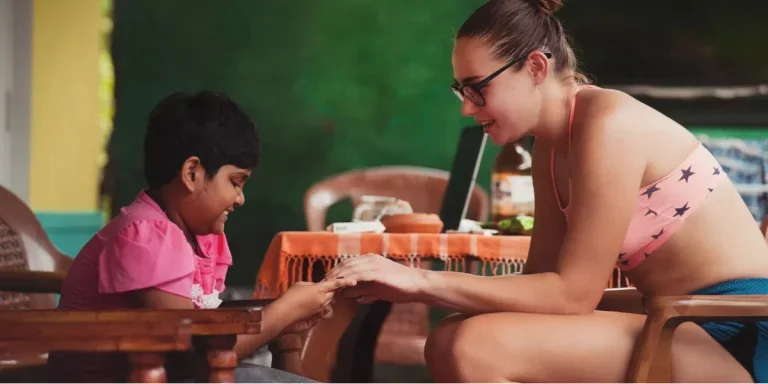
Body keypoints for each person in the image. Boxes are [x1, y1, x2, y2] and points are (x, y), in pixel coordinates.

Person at [325, 0, 768, 382]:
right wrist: (417, 287)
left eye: (479, 89)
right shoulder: (551, 150)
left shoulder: (608, 124)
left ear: (536, 67)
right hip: (678, 317)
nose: (466, 107)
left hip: (736, 331)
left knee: (475, 346)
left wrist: (421, 281)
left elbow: (572, 295)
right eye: (461, 90)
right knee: (446, 339)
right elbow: (541, 286)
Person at [49, 90, 354, 382]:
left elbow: (204, 330)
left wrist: (285, 313)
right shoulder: (147, 235)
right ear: (192, 173)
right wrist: (282, 313)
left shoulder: (196, 234)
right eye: (236, 182)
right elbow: (192, 358)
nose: (240, 199)